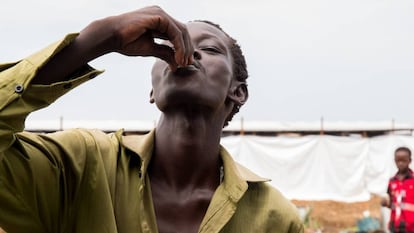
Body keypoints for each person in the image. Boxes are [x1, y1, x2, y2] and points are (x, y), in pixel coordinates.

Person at [0, 6, 303, 233]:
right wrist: (97, 40)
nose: (188, 53)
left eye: (209, 49)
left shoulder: (274, 218)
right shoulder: (80, 165)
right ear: (152, 90)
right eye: (168, 47)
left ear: (238, 92)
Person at [381, 147, 414, 233]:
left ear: (410, 160)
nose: (400, 163)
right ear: (394, 161)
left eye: (404, 161)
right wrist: (385, 203)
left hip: (411, 226)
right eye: (398, 161)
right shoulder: (392, 181)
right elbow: (391, 202)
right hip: (395, 225)